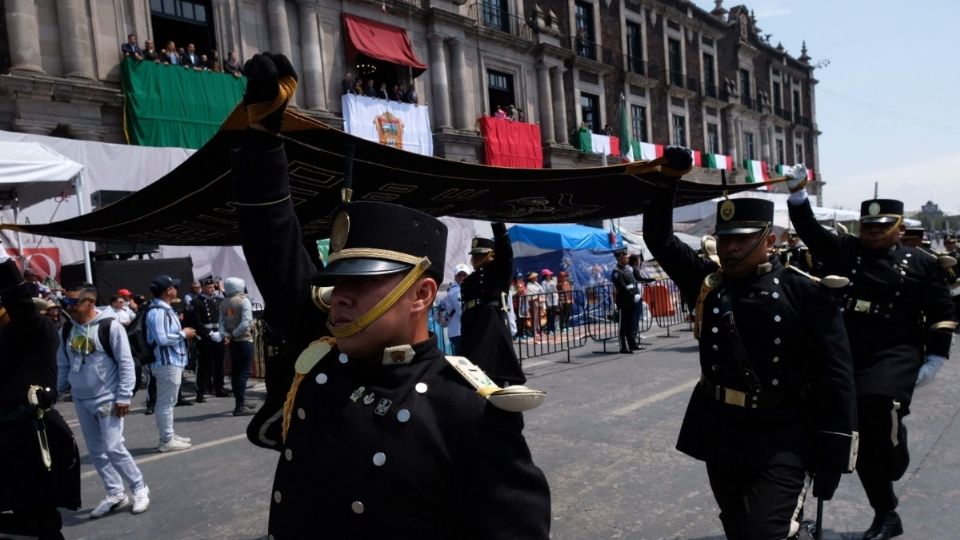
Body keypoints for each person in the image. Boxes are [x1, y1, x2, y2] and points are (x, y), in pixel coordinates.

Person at [228, 51, 550, 538]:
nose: (339, 296)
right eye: (338, 281)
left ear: (421, 294)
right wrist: (264, 139)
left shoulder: (467, 409)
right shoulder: (321, 361)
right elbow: (273, 242)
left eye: (362, 283)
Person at [644, 171, 858, 539]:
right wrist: (668, 183)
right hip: (722, 428)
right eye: (724, 239)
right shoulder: (708, 284)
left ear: (769, 240)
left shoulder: (804, 292)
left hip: (784, 432)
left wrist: (834, 454)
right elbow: (659, 240)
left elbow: (835, 376)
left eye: (742, 239)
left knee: (765, 531)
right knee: (738, 525)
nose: (730, 249)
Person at [786, 170, 955, 540]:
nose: (874, 233)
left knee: (876, 406)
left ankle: (895, 443)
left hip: (895, 351)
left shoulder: (921, 262)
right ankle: (886, 514)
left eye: (882, 227)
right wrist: (797, 194)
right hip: (846, 347)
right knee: (849, 435)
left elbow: (942, 312)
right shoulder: (845, 251)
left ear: (898, 227)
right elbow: (811, 230)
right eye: (868, 227)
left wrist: (937, 358)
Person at [0, 257, 80, 540]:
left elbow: (20, 304)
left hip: (32, 437)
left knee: (39, 523)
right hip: (11, 437)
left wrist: (2, 262)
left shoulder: (35, 330)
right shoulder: (9, 338)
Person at [56, 283, 151, 518]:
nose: (66, 307)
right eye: (64, 302)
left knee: (113, 447)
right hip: (81, 399)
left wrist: (124, 395)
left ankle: (139, 487)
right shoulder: (66, 331)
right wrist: (54, 394)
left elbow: (126, 363)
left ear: (89, 302)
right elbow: (63, 365)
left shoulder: (110, 327)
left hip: (107, 398)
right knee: (97, 451)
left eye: (72, 302)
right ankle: (115, 493)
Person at [461, 224, 527, 385]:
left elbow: (506, 251)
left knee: (491, 368)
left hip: (490, 322)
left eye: (480, 255)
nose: (475, 259)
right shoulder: (470, 279)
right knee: (472, 371)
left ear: (491, 255)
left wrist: (498, 225)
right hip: (471, 323)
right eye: (475, 255)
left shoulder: (498, 271)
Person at [145, 275, 195, 452]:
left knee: (168, 402)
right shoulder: (158, 312)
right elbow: (162, 338)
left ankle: (169, 435)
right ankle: (166, 440)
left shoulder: (163, 309)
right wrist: (183, 334)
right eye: (174, 286)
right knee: (166, 402)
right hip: (166, 362)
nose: (176, 289)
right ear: (168, 290)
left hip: (171, 361)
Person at [218, 277, 255, 415]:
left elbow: (221, 323)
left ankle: (241, 401)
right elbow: (246, 322)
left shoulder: (224, 303)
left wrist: (226, 335)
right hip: (244, 340)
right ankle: (240, 405)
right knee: (243, 372)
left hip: (233, 342)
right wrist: (234, 334)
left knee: (236, 372)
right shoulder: (243, 301)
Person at [190, 277, 226, 401]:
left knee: (219, 364)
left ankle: (219, 388)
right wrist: (209, 333)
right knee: (204, 365)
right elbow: (196, 321)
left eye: (212, 287)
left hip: (219, 335)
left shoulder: (219, 300)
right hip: (205, 337)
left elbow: (223, 319)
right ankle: (200, 391)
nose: (212, 289)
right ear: (203, 288)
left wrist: (223, 333)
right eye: (209, 287)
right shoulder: (197, 302)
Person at [611, 248, 642, 353]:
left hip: (632, 300)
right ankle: (623, 347)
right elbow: (622, 287)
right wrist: (632, 296)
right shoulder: (617, 272)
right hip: (624, 301)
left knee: (631, 324)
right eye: (625, 257)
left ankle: (632, 344)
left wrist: (637, 293)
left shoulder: (627, 269)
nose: (627, 258)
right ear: (620, 258)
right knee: (623, 325)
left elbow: (633, 283)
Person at [442, 264, 470, 355]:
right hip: (460, 331)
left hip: (455, 331)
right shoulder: (457, 291)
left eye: (464, 275)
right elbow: (461, 312)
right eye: (459, 275)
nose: (462, 277)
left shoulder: (452, 289)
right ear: (455, 277)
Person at [628, 254, 654, 343]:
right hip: (636, 295)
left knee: (636, 315)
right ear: (636, 261)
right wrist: (650, 280)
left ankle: (635, 332)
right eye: (639, 260)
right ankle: (634, 333)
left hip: (636, 294)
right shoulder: (634, 269)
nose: (640, 262)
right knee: (636, 315)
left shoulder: (630, 269)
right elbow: (639, 279)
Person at [541, 269, 558, 334]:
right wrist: (546, 303)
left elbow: (555, 291)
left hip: (554, 301)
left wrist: (556, 301)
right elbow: (544, 293)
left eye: (550, 274)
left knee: (553, 315)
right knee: (549, 316)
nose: (550, 275)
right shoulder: (544, 283)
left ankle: (553, 329)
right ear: (545, 275)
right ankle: (549, 329)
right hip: (548, 301)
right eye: (548, 274)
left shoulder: (552, 281)